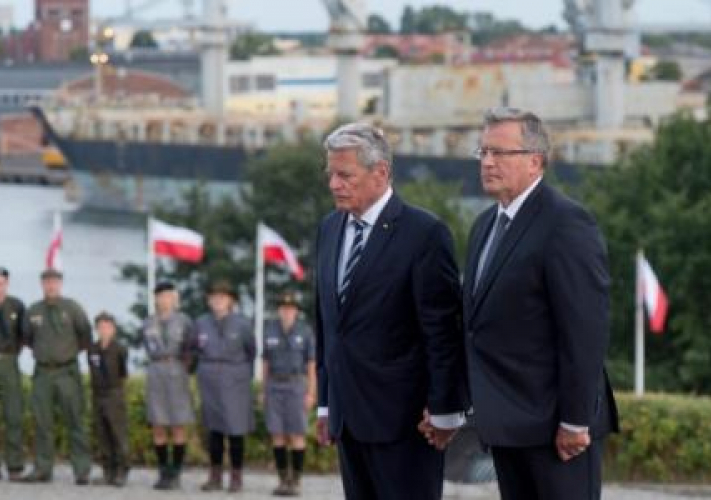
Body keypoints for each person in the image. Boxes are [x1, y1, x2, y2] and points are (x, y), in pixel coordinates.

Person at [461, 107, 619, 499]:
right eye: (482, 152)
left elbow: (584, 331)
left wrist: (575, 419)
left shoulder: (566, 223)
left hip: (556, 430)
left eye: (499, 152)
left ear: (535, 161)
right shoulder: (485, 226)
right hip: (507, 424)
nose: (487, 162)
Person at [314, 122, 468, 499]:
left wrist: (445, 408)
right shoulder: (330, 228)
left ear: (380, 172)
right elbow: (328, 321)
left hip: (406, 423)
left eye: (345, 175)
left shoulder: (424, 233)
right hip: (348, 418)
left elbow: (442, 330)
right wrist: (325, 402)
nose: (334, 184)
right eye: (330, 174)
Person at [19, 269, 92, 484]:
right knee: (43, 422)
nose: (51, 286)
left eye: (54, 282)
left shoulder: (72, 308)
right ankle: (43, 469)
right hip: (42, 372)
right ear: (42, 284)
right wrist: (46, 354)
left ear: (60, 284)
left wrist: (66, 354)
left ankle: (81, 470)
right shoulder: (33, 311)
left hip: (67, 372)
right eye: (47, 282)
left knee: (75, 420)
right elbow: (27, 338)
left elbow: (85, 335)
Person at [194, 280, 256, 493]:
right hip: (210, 380)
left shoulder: (243, 324)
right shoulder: (201, 323)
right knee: (214, 431)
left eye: (223, 296)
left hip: (235, 381)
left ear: (231, 301)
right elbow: (195, 350)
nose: (218, 300)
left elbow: (251, 352)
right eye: (214, 296)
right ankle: (215, 476)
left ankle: (236, 476)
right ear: (208, 300)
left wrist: (240, 374)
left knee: (236, 430)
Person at [141, 281, 195, 490]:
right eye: (160, 296)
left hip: (177, 371)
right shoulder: (148, 323)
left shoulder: (184, 321)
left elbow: (191, 347)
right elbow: (147, 346)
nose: (164, 300)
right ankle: (163, 471)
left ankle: (176, 472)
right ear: (155, 299)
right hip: (156, 372)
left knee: (178, 423)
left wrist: (186, 369)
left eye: (168, 296)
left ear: (174, 299)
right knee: (158, 423)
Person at [262, 291, 316, 497]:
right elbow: (265, 362)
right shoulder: (270, 330)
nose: (287, 312)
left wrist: (311, 393)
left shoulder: (305, 331)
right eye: (283, 309)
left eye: (291, 309)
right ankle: (283, 479)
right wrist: (264, 390)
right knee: (277, 435)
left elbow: (311, 364)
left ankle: (296, 481)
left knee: (297, 434)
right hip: (274, 385)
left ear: (296, 311)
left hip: (296, 386)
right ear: (279, 310)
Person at [0, 267, 26, 481]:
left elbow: (24, 335)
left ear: (7, 284)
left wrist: (11, 355)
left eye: (0, 283)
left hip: (9, 362)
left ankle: (15, 466)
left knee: (13, 414)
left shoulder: (17, 306)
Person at [88, 312, 130, 487]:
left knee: (117, 432)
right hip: (98, 393)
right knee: (102, 433)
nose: (104, 330)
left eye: (107, 327)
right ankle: (108, 470)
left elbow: (123, 372)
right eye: (100, 327)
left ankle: (122, 469)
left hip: (114, 392)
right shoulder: (93, 349)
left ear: (113, 329)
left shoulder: (120, 348)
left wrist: (119, 392)